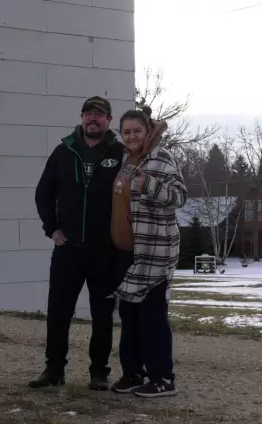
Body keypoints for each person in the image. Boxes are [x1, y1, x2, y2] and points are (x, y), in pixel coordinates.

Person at [30, 96, 126, 391]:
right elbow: (43, 194)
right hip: (67, 250)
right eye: (88, 114)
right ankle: (53, 369)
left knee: (102, 314)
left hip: (103, 251)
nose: (92, 119)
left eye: (99, 115)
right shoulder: (63, 152)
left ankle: (99, 372)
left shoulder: (120, 154)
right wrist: (52, 229)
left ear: (109, 120)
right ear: (82, 117)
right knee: (59, 311)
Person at [108, 106, 187, 398]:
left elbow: (180, 196)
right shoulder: (126, 160)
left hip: (154, 252)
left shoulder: (161, 158)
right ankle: (133, 373)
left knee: (152, 316)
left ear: (147, 131)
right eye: (126, 132)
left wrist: (150, 185)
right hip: (126, 252)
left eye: (136, 131)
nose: (131, 136)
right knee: (129, 316)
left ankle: (163, 378)